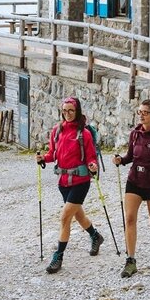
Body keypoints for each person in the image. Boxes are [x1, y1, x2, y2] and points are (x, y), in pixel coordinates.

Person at [36, 96, 103, 274]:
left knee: (65, 217)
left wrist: (93, 166)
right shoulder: (57, 130)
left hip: (81, 181)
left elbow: (90, 156)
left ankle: (58, 256)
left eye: (70, 110)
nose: (67, 114)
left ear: (77, 111)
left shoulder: (85, 133)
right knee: (78, 215)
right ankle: (95, 235)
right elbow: (53, 154)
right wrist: (44, 158)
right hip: (63, 182)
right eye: (64, 111)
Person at [112, 99, 150, 278]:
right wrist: (121, 160)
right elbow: (131, 156)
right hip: (135, 181)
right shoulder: (135, 134)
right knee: (130, 219)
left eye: (145, 112)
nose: (141, 115)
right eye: (140, 112)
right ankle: (130, 260)